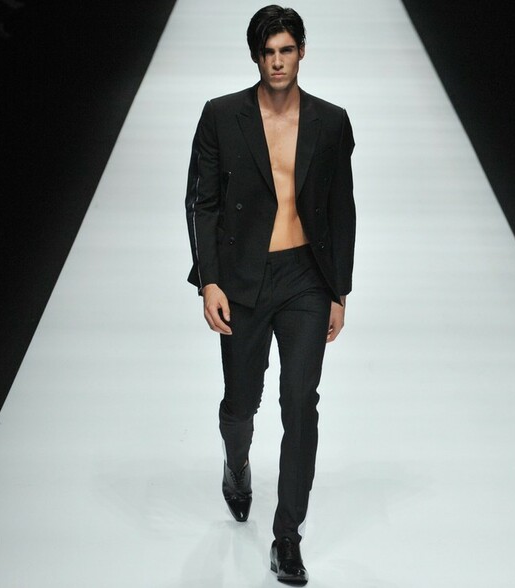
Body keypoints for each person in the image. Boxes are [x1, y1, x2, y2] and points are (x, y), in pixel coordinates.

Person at [184, 5, 356, 584]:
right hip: (242, 279)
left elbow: (341, 210)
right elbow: (203, 203)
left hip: (306, 276)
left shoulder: (331, 122)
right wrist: (209, 280)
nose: (277, 62)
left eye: (286, 50)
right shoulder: (221, 116)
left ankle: (288, 537)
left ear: (302, 51)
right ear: (255, 57)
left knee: (300, 402)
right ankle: (236, 464)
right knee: (241, 403)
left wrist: (339, 291)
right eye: (268, 52)